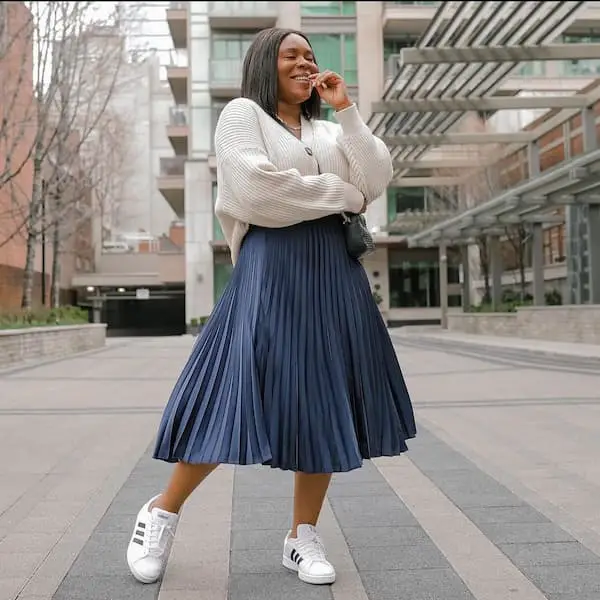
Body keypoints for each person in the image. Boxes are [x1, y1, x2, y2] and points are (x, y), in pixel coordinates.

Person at [126, 27, 416, 587]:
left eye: (310, 55)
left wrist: (348, 110)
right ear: (267, 62)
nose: (306, 62)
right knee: (234, 394)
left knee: (325, 399)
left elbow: (375, 177)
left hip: (333, 274)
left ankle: (300, 537)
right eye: (292, 54)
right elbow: (259, 193)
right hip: (271, 272)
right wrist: (341, 194)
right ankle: (160, 513)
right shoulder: (242, 116)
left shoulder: (330, 130)